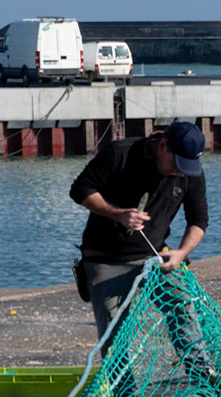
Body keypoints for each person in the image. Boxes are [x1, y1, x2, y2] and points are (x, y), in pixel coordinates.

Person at [69, 120, 209, 343]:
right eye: (177, 164)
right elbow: (79, 190)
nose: (179, 173)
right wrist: (118, 214)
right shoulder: (120, 154)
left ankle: (203, 372)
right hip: (107, 259)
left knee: (183, 308)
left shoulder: (189, 172)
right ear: (163, 146)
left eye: (186, 167)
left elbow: (199, 221)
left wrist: (181, 252)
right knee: (115, 337)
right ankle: (123, 380)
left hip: (155, 258)